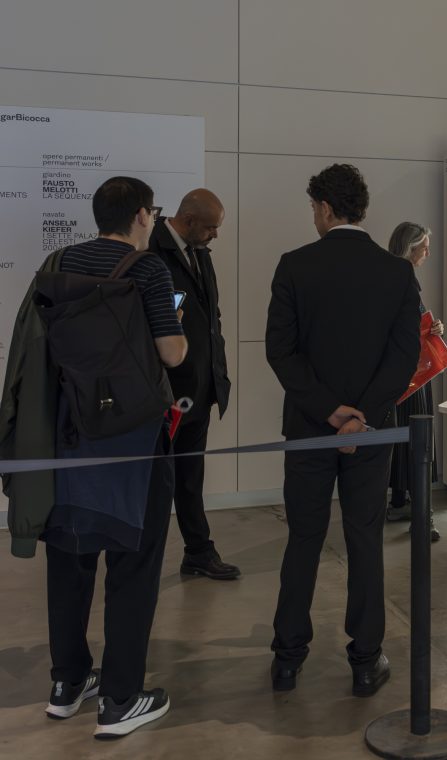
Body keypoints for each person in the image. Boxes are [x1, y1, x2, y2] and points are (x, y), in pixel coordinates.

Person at [265, 164, 420, 696]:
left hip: (309, 429)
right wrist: (362, 417)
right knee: (365, 540)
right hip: (371, 434)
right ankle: (365, 659)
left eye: (314, 208)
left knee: (303, 539)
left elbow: (280, 352)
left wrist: (330, 412)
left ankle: (287, 659)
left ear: (326, 209)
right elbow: (405, 357)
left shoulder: (294, 266)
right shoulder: (396, 273)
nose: (313, 217)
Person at [44, 177, 187, 737]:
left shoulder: (58, 262)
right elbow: (172, 351)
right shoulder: (147, 269)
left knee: (71, 556)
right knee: (134, 561)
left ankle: (67, 682)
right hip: (133, 438)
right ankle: (122, 699)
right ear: (142, 217)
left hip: (70, 433)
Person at [148, 189, 237, 579]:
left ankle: (198, 551)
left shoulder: (199, 251)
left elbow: (209, 316)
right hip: (165, 391)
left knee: (189, 475)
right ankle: (143, 559)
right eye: (211, 228)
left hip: (200, 387)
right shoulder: (152, 250)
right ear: (187, 220)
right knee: (156, 480)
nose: (215, 235)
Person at [384, 222, 442, 542]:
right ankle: (422, 516)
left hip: (397, 374)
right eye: (424, 247)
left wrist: (431, 327)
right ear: (411, 248)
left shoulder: (386, 276)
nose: (427, 253)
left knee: (400, 439)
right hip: (413, 375)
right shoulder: (405, 278)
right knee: (418, 442)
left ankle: (398, 503)